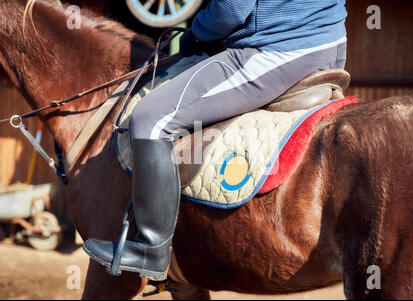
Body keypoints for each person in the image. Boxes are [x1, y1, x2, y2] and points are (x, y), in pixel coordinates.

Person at [83, 0, 348, 281]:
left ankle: (151, 248)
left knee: (151, 120)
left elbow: (230, 11)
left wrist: (196, 32)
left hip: (278, 49)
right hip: (329, 42)